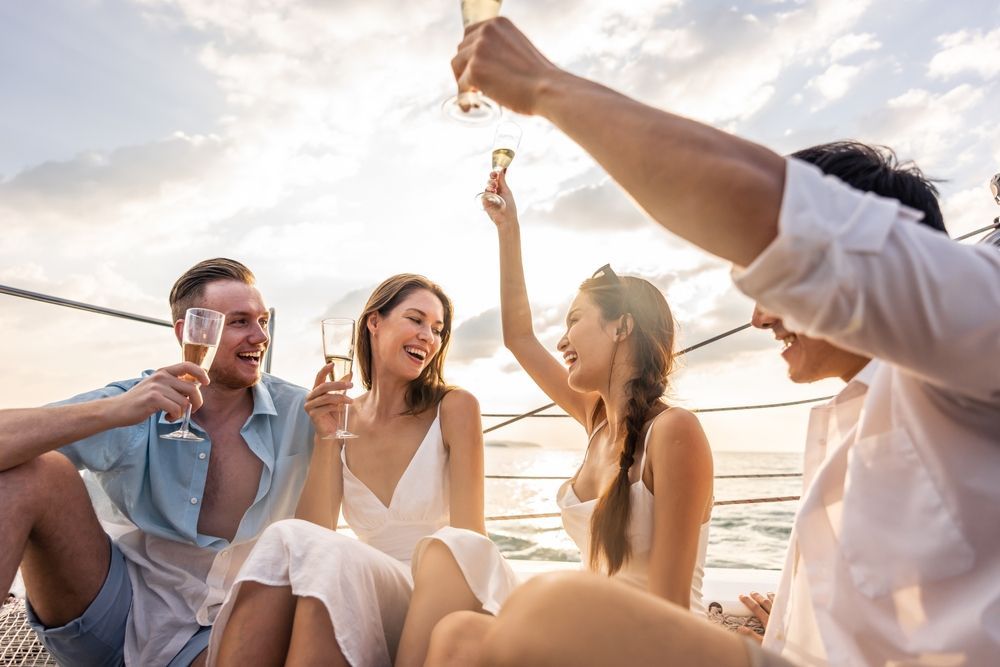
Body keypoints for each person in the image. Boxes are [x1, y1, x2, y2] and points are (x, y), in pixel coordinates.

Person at [433, 18, 1000, 667]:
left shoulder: (982, 326)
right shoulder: (851, 425)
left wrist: (542, 85)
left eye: (780, 277)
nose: (758, 318)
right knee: (460, 634)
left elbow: (769, 209)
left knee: (551, 607)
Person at [0, 257, 324, 666]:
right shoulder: (139, 400)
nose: (261, 336)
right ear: (190, 332)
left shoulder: (302, 411)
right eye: (240, 322)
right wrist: (115, 410)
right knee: (33, 471)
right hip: (114, 609)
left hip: (225, 625)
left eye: (263, 321)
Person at [208, 274, 518, 667]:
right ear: (374, 322)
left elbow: (471, 538)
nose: (428, 336)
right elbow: (314, 532)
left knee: (340, 565)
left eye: (437, 330)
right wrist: (326, 436)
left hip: (442, 586)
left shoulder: (455, 407)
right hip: (375, 586)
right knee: (296, 543)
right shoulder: (343, 416)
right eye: (416, 319)